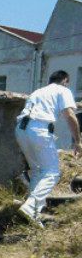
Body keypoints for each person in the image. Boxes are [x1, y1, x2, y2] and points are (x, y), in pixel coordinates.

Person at [15, 70, 81, 226]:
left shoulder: (38, 92)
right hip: (39, 129)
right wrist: (78, 141)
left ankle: (34, 214)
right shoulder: (62, 90)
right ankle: (31, 206)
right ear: (65, 80)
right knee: (52, 172)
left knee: (38, 171)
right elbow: (70, 114)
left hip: (21, 129)